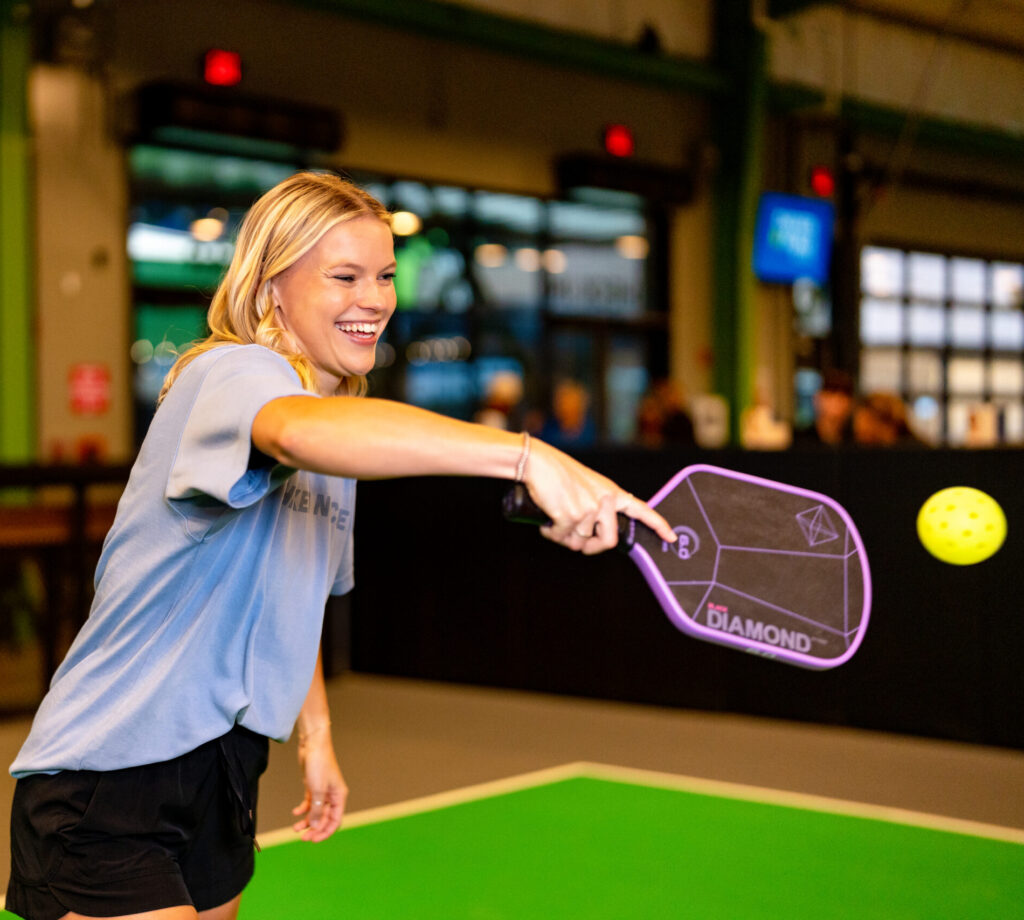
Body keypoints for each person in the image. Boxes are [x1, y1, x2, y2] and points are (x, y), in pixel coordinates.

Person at [5, 172, 676, 920]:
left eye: (385, 275)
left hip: (223, 763)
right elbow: (291, 428)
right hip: (114, 771)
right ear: (270, 291)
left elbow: (296, 599)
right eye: (345, 276)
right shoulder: (231, 373)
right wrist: (528, 456)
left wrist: (314, 736)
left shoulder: (336, 437)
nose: (376, 299)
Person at [791, 368, 855, 449]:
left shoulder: (856, 441)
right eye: (832, 393)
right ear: (817, 398)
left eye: (844, 395)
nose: (837, 400)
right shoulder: (798, 440)